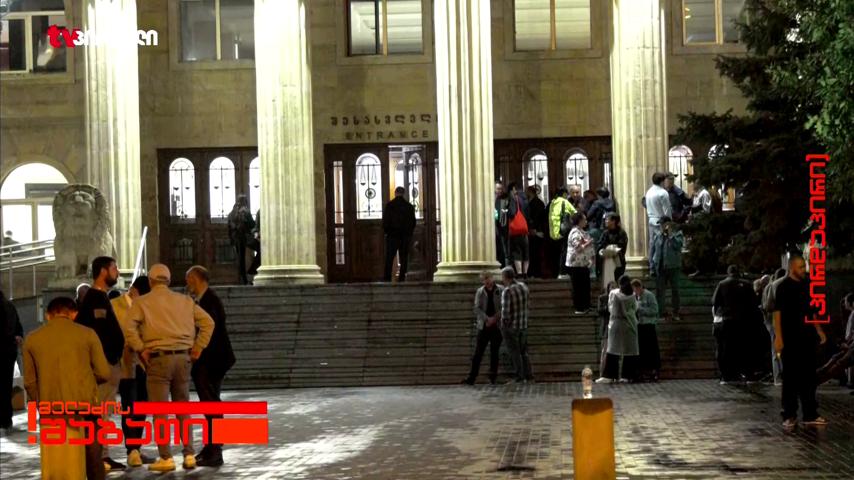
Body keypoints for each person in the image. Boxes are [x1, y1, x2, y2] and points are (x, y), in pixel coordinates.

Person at [125, 264, 215, 472]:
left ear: (150, 281)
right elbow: (208, 323)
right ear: (169, 280)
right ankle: (189, 454)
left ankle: (166, 457)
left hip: (158, 359)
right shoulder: (185, 301)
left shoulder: (141, 302)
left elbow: (129, 328)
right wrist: (198, 347)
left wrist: (140, 348)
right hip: (183, 358)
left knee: (161, 412)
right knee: (183, 407)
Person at [23, 297, 112, 480]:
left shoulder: (32, 339)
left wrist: (40, 402)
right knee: (93, 455)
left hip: (51, 408)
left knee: (56, 461)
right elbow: (104, 372)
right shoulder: (88, 334)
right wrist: (86, 382)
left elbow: (29, 382)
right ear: (74, 314)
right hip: (85, 406)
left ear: (48, 315)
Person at [75, 256, 126, 472]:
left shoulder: (100, 297)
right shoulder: (95, 299)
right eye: (114, 268)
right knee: (101, 412)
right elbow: (96, 333)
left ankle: (102, 455)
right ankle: (100, 457)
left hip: (108, 363)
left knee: (104, 411)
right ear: (103, 271)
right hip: (103, 366)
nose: (118, 272)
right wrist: (105, 360)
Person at [186, 265, 236, 467]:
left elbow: (209, 329)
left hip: (211, 360)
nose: (187, 284)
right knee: (210, 403)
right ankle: (211, 446)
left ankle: (215, 450)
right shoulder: (204, 299)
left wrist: (196, 349)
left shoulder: (210, 300)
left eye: (189, 280)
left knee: (211, 404)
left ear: (196, 279)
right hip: (211, 360)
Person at [773, 256, 828, 428]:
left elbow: (812, 311)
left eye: (804, 266)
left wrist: (819, 330)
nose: (804, 269)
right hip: (790, 337)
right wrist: (779, 337)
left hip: (807, 337)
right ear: (792, 268)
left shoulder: (807, 285)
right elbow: (777, 313)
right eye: (800, 267)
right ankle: (789, 414)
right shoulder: (782, 287)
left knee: (809, 377)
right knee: (790, 377)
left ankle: (810, 413)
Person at [110, 275, 152, 468]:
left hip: (143, 364)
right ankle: (131, 450)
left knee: (142, 406)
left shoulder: (146, 306)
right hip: (124, 364)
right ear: (134, 291)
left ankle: (137, 447)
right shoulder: (114, 305)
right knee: (129, 406)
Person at [463, 272, 505, 386]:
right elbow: (477, 308)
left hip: (497, 326)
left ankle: (493, 377)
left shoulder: (501, 290)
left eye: (487, 278)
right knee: (478, 353)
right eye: (484, 279)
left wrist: (494, 318)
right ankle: (472, 377)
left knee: (494, 353)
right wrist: (487, 319)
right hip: (484, 326)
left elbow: (504, 307)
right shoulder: (480, 292)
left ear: (492, 278)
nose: (486, 281)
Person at [711, 265, 751, 384]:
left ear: (728, 273)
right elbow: (753, 302)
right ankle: (740, 373)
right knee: (741, 347)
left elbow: (714, 301)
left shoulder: (722, 284)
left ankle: (726, 375)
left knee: (724, 348)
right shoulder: (746, 284)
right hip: (743, 321)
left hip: (726, 320)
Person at [597, 275, 639, 383]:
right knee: (629, 350)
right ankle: (628, 375)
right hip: (630, 323)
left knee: (613, 350)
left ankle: (610, 375)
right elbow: (635, 308)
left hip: (616, 323)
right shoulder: (632, 295)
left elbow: (611, 308)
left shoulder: (614, 294)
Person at [499, 266, 532, 384]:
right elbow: (528, 304)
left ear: (505, 277)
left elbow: (505, 313)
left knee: (515, 352)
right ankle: (529, 375)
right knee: (524, 351)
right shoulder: (523, 286)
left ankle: (519, 376)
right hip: (523, 324)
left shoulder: (507, 291)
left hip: (512, 326)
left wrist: (503, 326)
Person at [650, 217, 683, 319]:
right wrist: (652, 266)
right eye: (660, 224)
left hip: (673, 267)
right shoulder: (658, 236)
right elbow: (653, 251)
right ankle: (661, 312)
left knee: (675, 290)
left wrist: (670, 235)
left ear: (668, 224)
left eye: (663, 224)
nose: (661, 226)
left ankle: (675, 312)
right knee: (660, 291)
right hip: (660, 267)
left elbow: (678, 246)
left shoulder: (677, 234)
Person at [382, 186, 417, 282]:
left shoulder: (389, 205)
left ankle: (387, 278)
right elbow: (413, 222)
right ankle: (402, 278)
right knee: (404, 258)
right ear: (403, 193)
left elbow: (385, 221)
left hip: (392, 235)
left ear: (395, 193)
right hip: (404, 236)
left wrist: (387, 232)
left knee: (389, 258)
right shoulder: (409, 206)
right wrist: (409, 233)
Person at [1, 289, 23, 430]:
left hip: (5, 349)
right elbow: (18, 327)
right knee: (6, 385)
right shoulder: (9, 305)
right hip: (9, 352)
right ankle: (6, 419)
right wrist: (17, 336)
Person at [762, 268, 787, 385]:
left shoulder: (770, 286)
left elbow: (767, 306)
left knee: (776, 351)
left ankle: (778, 377)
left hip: (773, 321)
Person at [566, 212, 595, 314]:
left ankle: (586, 306)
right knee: (578, 287)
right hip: (576, 264)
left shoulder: (582, 231)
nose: (586, 221)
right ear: (579, 221)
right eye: (584, 219)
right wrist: (588, 243)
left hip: (583, 263)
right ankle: (579, 307)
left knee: (585, 286)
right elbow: (577, 247)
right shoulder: (575, 233)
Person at [632, 279, 661, 382]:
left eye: (636, 289)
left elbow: (655, 310)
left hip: (649, 325)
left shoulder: (649, 295)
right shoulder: (635, 297)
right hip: (639, 325)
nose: (635, 292)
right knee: (642, 350)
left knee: (652, 350)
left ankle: (654, 371)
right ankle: (642, 372)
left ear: (640, 287)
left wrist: (641, 310)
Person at [644, 172, 672, 271]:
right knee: (662, 245)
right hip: (662, 221)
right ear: (662, 181)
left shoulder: (648, 192)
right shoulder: (663, 193)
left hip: (651, 220)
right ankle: (660, 267)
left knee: (652, 244)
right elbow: (667, 210)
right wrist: (669, 223)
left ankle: (652, 266)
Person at [227, 195, 256, 285]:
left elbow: (229, 227)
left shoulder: (232, 212)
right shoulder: (245, 211)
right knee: (244, 257)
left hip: (235, 238)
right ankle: (247, 276)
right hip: (244, 238)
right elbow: (252, 225)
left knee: (240, 258)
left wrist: (231, 239)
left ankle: (241, 278)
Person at [548, 186, 575, 279]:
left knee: (556, 253)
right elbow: (575, 213)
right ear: (564, 194)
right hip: (564, 231)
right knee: (564, 252)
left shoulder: (552, 203)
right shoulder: (565, 202)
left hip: (554, 232)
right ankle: (563, 272)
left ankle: (555, 273)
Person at [597, 213, 628, 287]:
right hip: (606, 261)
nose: (605, 221)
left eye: (607, 219)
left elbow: (621, 245)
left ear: (613, 221)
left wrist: (612, 248)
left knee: (617, 281)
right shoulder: (605, 233)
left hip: (617, 261)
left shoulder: (621, 233)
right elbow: (600, 244)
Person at [506, 183, 530, 277]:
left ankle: (519, 273)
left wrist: (507, 211)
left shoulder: (514, 199)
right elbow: (528, 214)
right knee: (526, 252)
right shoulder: (524, 199)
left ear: (513, 189)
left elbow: (512, 213)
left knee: (517, 252)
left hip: (516, 231)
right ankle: (525, 273)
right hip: (524, 230)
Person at [597, 281, 618, 378]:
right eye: (611, 287)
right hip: (606, 326)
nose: (613, 289)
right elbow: (600, 311)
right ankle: (602, 374)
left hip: (616, 326)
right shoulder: (603, 298)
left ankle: (614, 375)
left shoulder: (619, 298)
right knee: (604, 351)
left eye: (615, 287)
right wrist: (608, 307)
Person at [525, 186, 547, 278]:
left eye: (527, 191)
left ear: (530, 192)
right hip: (534, 230)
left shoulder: (536, 203)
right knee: (533, 252)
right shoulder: (536, 202)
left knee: (535, 252)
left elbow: (537, 217)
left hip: (536, 231)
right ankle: (533, 272)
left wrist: (534, 228)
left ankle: (535, 272)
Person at [495, 182, 510, 267]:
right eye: (498, 189)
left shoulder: (503, 200)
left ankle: (504, 266)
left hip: (501, 228)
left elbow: (503, 214)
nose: (499, 191)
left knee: (503, 249)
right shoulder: (492, 199)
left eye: (501, 189)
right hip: (495, 228)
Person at [247, 209, 261, 276]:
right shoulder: (260, 211)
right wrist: (256, 234)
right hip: (261, 238)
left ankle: (252, 270)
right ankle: (252, 270)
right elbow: (256, 227)